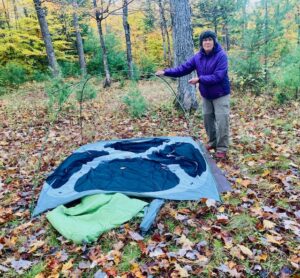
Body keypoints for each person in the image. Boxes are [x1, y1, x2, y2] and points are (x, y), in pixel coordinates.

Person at [156, 30, 230, 159]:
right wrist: (165, 72)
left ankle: (222, 148)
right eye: (204, 40)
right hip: (206, 94)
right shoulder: (198, 57)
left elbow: (218, 76)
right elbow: (183, 69)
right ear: (201, 43)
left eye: (210, 39)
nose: (207, 42)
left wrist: (200, 79)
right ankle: (212, 142)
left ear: (214, 41)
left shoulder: (221, 55)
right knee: (208, 119)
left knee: (222, 120)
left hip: (220, 93)